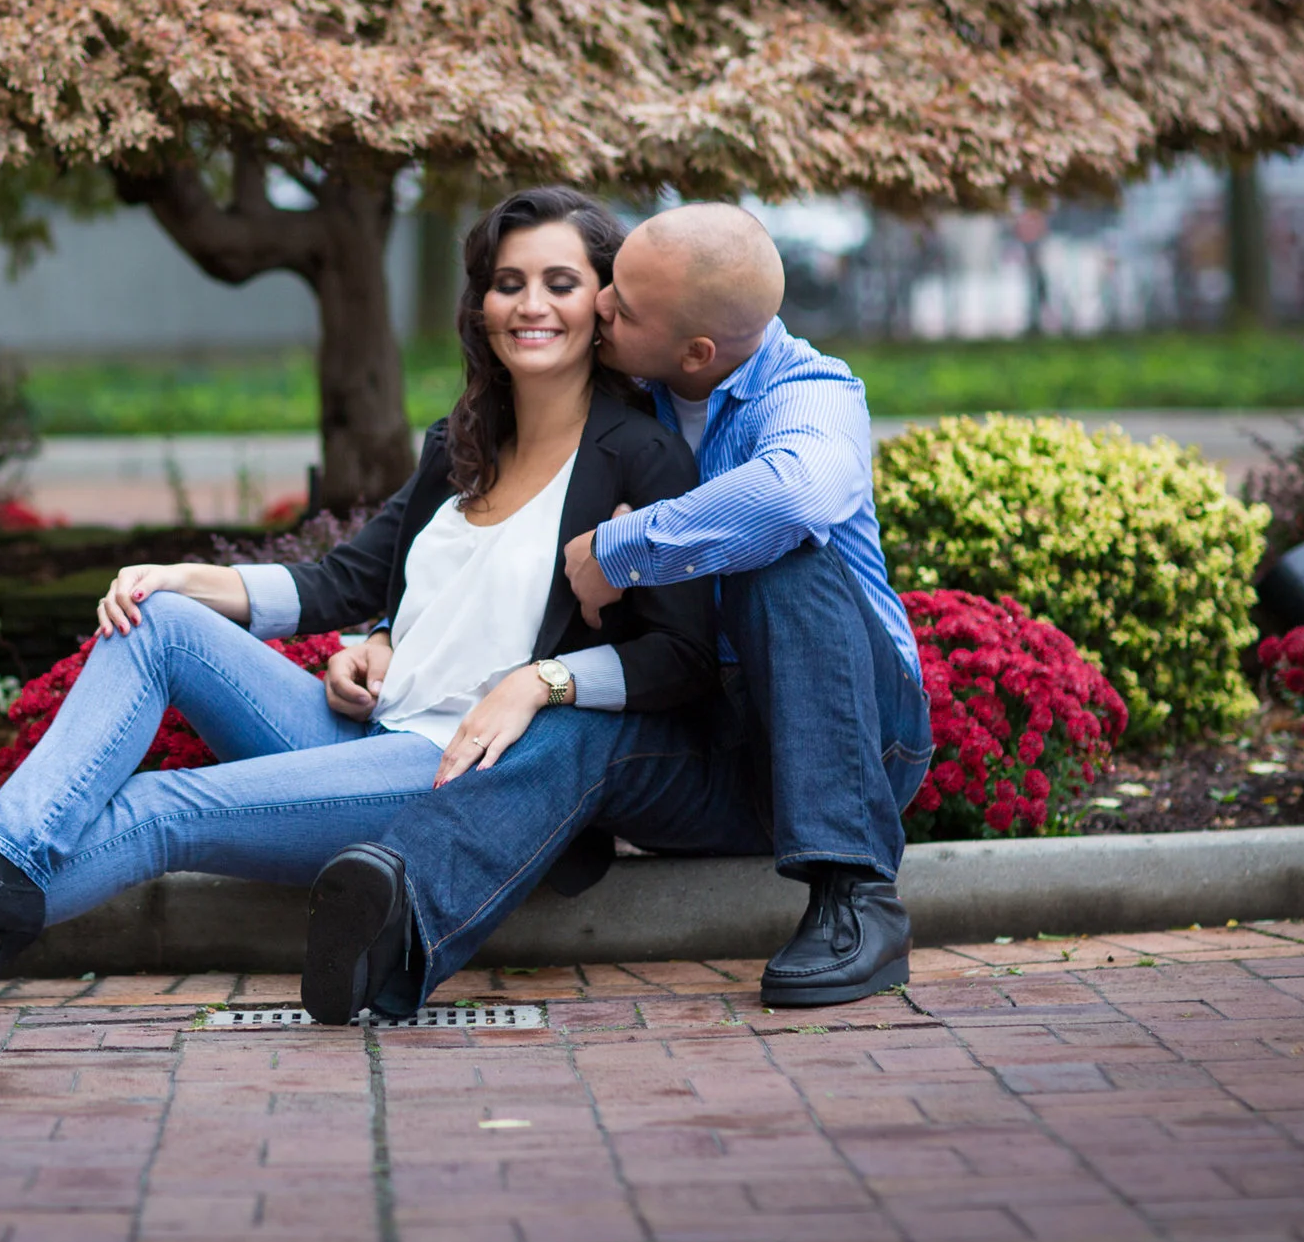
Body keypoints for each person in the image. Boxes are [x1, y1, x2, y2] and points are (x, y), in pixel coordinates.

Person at [0, 187, 725, 1007]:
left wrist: (543, 682)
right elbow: (344, 579)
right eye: (508, 282)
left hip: (453, 770)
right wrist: (202, 580)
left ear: (603, 303)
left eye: (559, 281)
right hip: (364, 728)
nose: (530, 304)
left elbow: (678, 657)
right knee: (158, 620)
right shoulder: (457, 444)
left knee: (160, 807)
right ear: (480, 304)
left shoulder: (638, 457)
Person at [301, 202, 933, 1020]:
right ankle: (398, 929)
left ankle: (858, 899)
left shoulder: (809, 392)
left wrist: (624, 547)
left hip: (857, 739)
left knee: (782, 558)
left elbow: (796, 494)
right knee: (577, 720)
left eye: (623, 305)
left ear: (696, 350)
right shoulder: (636, 399)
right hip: (711, 735)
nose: (599, 304)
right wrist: (397, 634)